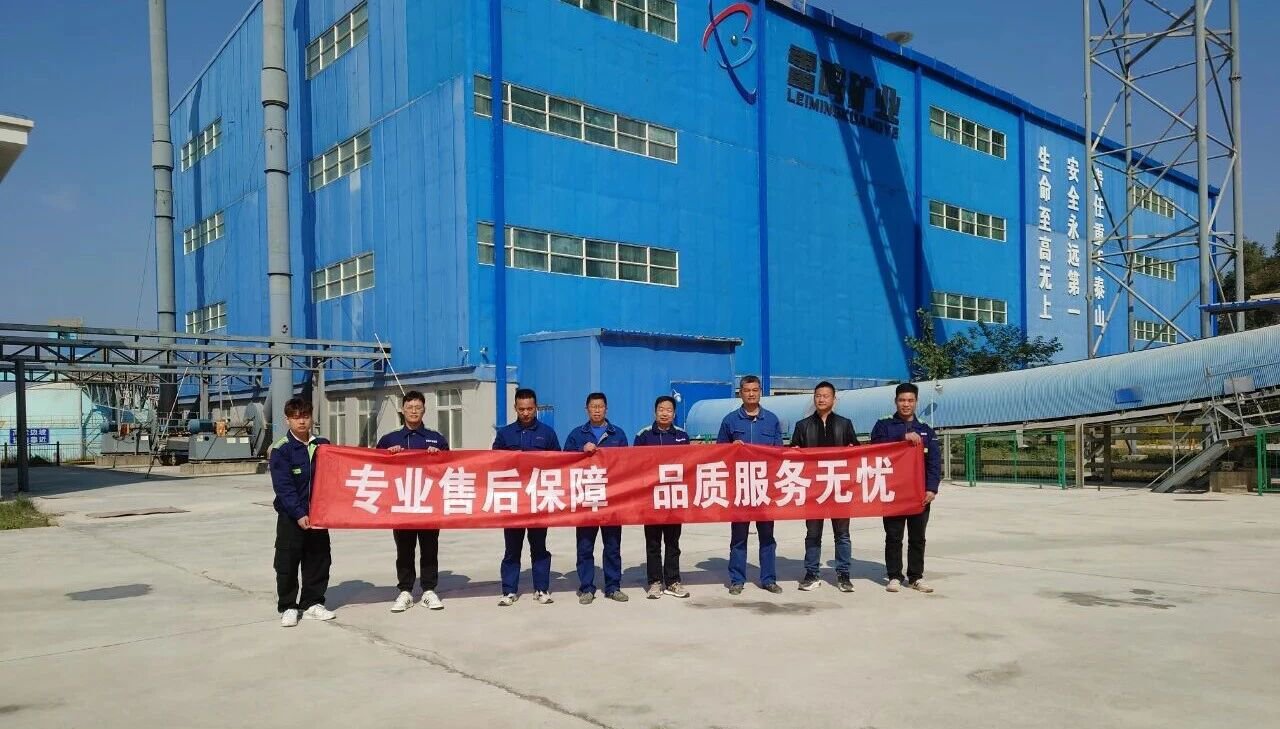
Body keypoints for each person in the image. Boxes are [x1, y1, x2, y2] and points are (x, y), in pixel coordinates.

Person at [376, 390, 450, 613]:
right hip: (401, 504)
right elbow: (375, 467)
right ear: (402, 410)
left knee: (430, 548)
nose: (414, 411)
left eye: (418, 408)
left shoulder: (436, 439)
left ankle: (429, 590)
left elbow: (450, 468)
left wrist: (439, 456)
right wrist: (388, 455)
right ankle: (405, 591)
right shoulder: (390, 440)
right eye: (410, 408)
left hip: (429, 503)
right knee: (404, 549)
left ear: (424, 410)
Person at [269, 397, 335, 627]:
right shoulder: (282, 449)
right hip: (291, 517)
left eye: (305, 416)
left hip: (319, 516)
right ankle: (288, 606)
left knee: (319, 560)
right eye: (296, 417)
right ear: (287, 420)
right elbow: (283, 486)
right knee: (287, 562)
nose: (302, 422)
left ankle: (312, 603)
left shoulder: (323, 445)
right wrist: (298, 513)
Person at [870, 382, 942, 594]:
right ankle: (894, 575)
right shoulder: (884, 425)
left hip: (919, 494)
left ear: (916, 402)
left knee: (917, 537)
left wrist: (931, 489)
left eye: (910, 400)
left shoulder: (925, 429)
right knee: (894, 536)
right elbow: (875, 448)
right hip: (893, 492)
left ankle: (915, 577)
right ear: (896, 401)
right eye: (902, 400)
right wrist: (901, 437)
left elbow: (934, 462)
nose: (906, 404)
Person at [492, 388, 560, 606]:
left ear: (536, 408)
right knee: (512, 548)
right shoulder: (505, 434)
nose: (526, 413)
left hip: (538, 499)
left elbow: (559, 462)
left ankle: (541, 588)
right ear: (515, 408)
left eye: (530, 409)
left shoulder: (547, 434)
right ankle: (509, 591)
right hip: (513, 500)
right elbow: (494, 462)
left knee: (539, 546)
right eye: (521, 409)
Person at [716, 374, 784, 595]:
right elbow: (718, 452)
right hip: (741, 487)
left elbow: (779, 452)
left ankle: (769, 579)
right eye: (747, 390)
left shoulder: (771, 419)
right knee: (739, 537)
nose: (751, 394)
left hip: (765, 487)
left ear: (760, 392)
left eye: (755, 390)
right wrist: (731, 448)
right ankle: (737, 580)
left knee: (767, 537)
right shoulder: (730, 420)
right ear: (740, 393)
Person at [791, 381, 859, 593]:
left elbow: (857, 453)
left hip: (839, 488)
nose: (821, 399)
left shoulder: (844, 424)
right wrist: (794, 451)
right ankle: (812, 574)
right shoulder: (802, 426)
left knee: (842, 534)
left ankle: (844, 575)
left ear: (834, 399)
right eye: (818, 395)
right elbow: (792, 455)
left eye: (825, 396)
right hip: (813, 490)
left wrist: (852, 449)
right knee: (813, 534)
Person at [563, 392, 630, 604]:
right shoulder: (577, 435)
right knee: (585, 546)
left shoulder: (618, 434)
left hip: (611, 499)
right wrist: (580, 451)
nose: (597, 410)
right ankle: (586, 588)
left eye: (600, 406)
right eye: (593, 406)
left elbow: (627, 464)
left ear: (606, 409)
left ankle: (613, 587)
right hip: (586, 499)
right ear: (587, 409)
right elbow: (564, 462)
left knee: (612, 546)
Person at [632, 395, 692, 599]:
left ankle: (673, 581)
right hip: (651, 499)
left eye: (669, 410)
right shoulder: (643, 435)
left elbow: (690, 464)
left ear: (674, 414)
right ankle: (655, 582)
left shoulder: (682, 436)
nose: (664, 413)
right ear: (654, 412)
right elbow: (635, 465)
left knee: (673, 542)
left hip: (674, 498)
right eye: (661, 409)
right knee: (653, 543)